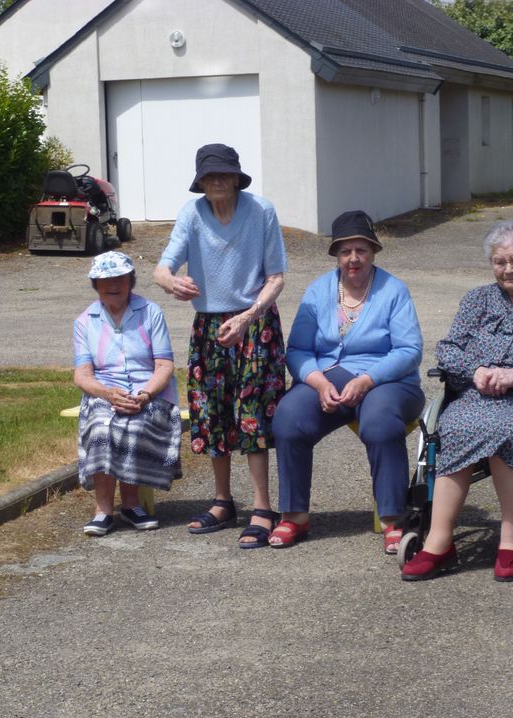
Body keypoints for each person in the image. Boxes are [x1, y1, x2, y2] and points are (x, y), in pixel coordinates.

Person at [154, 143, 287, 549]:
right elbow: (162, 268)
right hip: (209, 326)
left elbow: (277, 277)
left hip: (255, 323)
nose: (217, 181)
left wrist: (247, 317)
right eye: (209, 176)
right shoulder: (191, 214)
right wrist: (171, 282)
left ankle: (263, 507)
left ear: (236, 178)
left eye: (224, 174)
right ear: (200, 182)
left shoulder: (261, 211)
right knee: (211, 414)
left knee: (252, 414)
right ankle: (223, 501)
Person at [270, 210, 424, 550]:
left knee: (380, 423)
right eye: (345, 251)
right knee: (288, 418)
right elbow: (296, 349)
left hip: (389, 379)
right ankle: (294, 515)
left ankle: (393, 519)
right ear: (336, 254)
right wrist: (318, 383)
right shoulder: (318, 290)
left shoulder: (393, 290)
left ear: (373, 252)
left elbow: (409, 350)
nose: (353, 258)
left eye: (361, 250)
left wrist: (368, 379)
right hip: (329, 376)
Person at [402, 220, 513, 581]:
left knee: (506, 430)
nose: (507, 269)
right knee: (458, 427)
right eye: (500, 261)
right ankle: (438, 540)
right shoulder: (477, 300)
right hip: (473, 396)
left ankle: (510, 541)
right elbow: (448, 350)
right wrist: (477, 370)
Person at [73, 251, 182, 536]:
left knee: (133, 425)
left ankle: (132, 505)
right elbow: (82, 375)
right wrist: (109, 394)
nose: (113, 285)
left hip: (149, 391)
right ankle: (103, 511)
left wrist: (144, 394)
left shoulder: (151, 312)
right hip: (105, 392)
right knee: (101, 427)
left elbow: (164, 365)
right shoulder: (85, 321)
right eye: (105, 280)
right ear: (95, 284)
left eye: (120, 278)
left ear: (130, 281)